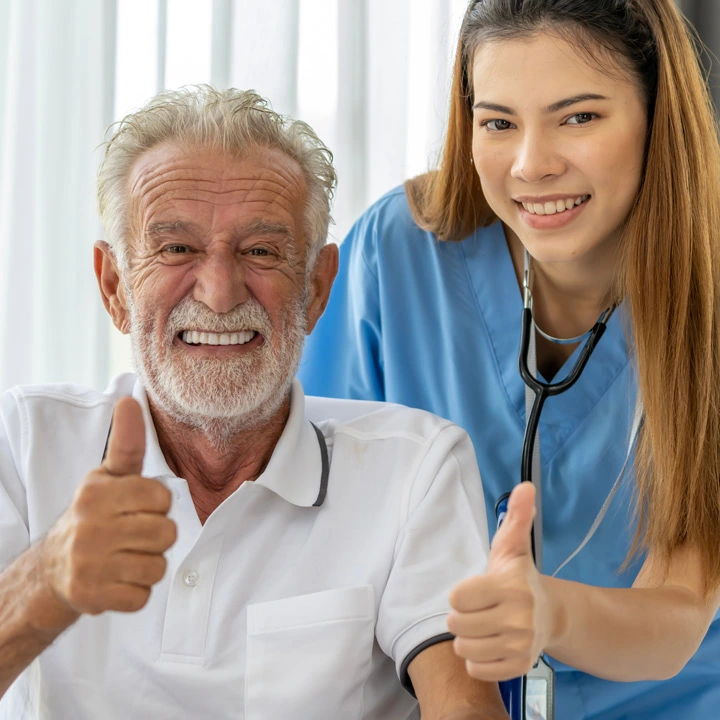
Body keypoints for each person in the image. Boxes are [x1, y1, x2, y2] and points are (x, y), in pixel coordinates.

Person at [0, 86, 511, 720]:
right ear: (115, 288)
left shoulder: (416, 467)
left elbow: (463, 706)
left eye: (261, 251)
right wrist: (44, 582)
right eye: (177, 248)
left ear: (318, 288)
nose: (219, 292)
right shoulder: (21, 441)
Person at [298, 0, 720, 718]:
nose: (532, 165)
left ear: (658, 119)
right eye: (498, 122)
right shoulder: (396, 255)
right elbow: (323, 529)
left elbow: (678, 612)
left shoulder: (707, 290)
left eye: (579, 117)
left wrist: (546, 614)